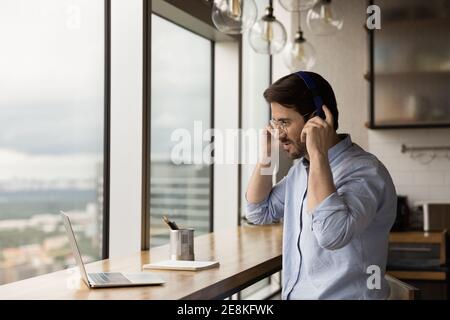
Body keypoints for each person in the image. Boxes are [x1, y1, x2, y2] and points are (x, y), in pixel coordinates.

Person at [246, 71, 397, 300]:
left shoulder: (365, 171)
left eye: (285, 122)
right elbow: (258, 212)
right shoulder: (301, 171)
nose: (278, 134)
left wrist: (318, 155)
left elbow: (331, 235)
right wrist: (266, 156)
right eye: (275, 123)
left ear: (317, 119)